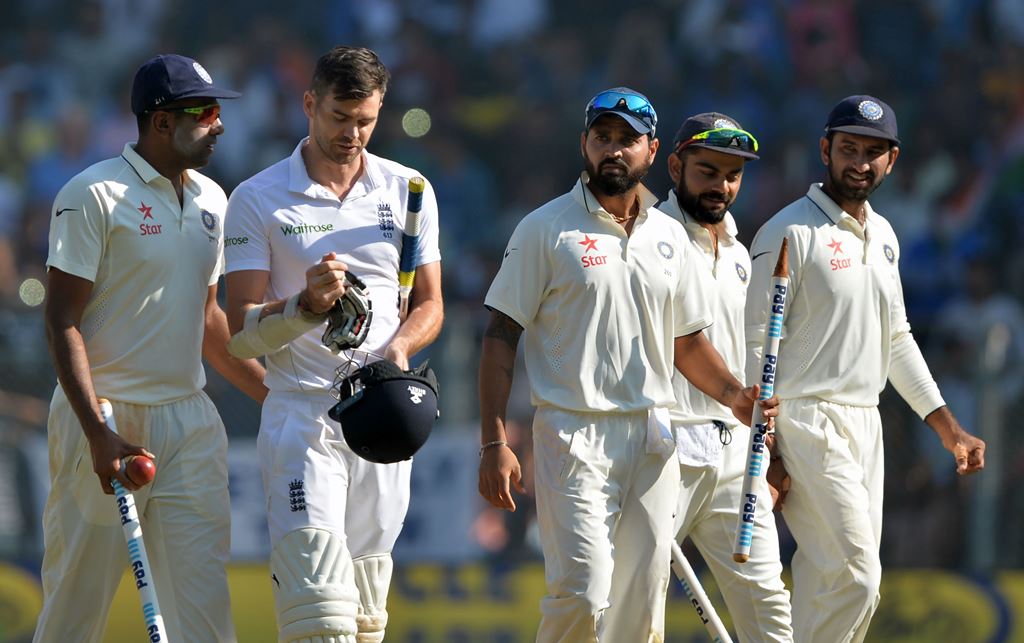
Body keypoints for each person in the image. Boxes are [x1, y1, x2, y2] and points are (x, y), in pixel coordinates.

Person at [478, 87, 775, 643]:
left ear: (652, 149)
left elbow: (687, 343)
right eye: (603, 137)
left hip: (653, 436)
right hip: (572, 432)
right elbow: (499, 335)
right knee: (583, 593)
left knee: (640, 610)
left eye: (628, 140)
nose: (614, 150)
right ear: (584, 143)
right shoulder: (545, 228)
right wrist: (495, 441)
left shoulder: (669, 235)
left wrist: (736, 395)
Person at [36, 54, 267, 643]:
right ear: (161, 121)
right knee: (74, 609)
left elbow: (210, 319)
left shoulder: (215, 199)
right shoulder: (91, 194)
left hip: (189, 422)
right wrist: (96, 432)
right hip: (105, 418)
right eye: (206, 112)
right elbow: (62, 319)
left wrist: (274, 394)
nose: (219, 125)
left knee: (205, 613)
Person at [745, 95, 986, 643]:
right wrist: (766, 441)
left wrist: (948, 429)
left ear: (892, 161)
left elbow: (896, 338)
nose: (860, 162)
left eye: (874, 152)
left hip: (865, 424)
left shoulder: (885, 236)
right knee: (860, 578)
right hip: (805, 421)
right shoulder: (788, 232)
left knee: (831, 579)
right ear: (825, 150)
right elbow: (753, 344)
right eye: (849, 148)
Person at [222, 46, 443, 643]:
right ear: (309, 104)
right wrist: (304, 307)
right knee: (318, 615)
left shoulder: (410, 189)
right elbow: (239, 332)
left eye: (366, 120)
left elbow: (429, 305)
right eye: (339, 117)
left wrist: (399, 352)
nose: (353, 133)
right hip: (301, 415)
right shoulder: (257, 197)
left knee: (368, 618)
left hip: (381, 412)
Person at [660, 112, 793, 642]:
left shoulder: (742, 254)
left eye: (732, 175)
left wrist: (773, 448)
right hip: (665, 446)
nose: (721, 185)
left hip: (736, 452)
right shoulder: (652, 237)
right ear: (675, 166)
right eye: (707, 171)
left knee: (768, 606)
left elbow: (748, 356)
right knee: (632, 598)